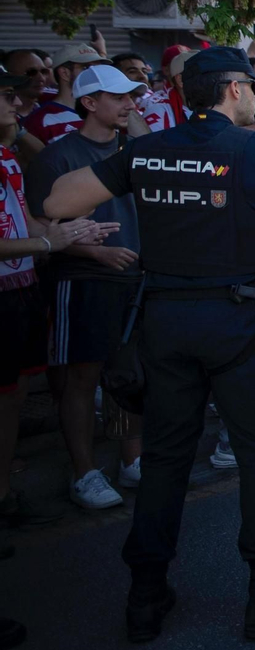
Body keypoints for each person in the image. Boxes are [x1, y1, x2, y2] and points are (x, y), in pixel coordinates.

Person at [43, 46, 255, 643]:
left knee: (166, 457)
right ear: (233, 90)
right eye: (250, 86)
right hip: (236, 319)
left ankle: (145, 596)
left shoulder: (146, 149)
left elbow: (58, 202)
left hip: (165, 321)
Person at [24, 65, 148, 509]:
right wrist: (95, 254)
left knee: (130, 375)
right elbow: (39, 228)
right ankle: (84, 472)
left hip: (134, 279)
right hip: (81, 280)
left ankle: (132, 461)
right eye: (118, 97)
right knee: (81, 377)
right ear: (89, 103)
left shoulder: (135, 149)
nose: (130, 104)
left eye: (132, 96)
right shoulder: (57, 157)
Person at [1, 70, 104, 535]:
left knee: (13, 397)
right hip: (18, 289)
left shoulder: (7, 156)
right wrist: (51, 243)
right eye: (7, 95)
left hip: (21, 288)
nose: (18, 102)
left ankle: (4, 496)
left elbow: (27, 221)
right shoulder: (31, 152)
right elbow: (38, 234)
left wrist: (67, 234)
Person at [21, 45, 109, 148]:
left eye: (97, 68)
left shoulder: (107, 112)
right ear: (65, 73)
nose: (96, 74)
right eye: (86, 68)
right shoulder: (39, 120)